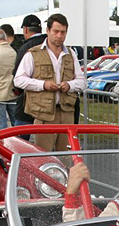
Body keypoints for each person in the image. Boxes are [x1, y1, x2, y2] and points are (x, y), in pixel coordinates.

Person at [13, 13, 86, 152]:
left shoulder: (71, 54)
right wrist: (43, 85)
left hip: (67, 114)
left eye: (63, 32)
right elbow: (19, 80)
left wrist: (69, 85)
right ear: (47, 31)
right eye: (56, 31)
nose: (59, 36)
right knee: (43, 157)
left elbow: (82, 81)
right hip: (44, 114)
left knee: (66, 158)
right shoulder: (32, 53)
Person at [11, 14, 46, 131]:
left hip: (27, 101)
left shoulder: (26, 47)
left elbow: (17, 75)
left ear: (25, 29)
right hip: (49, 103)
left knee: (21, 140)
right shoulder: (52, 45)